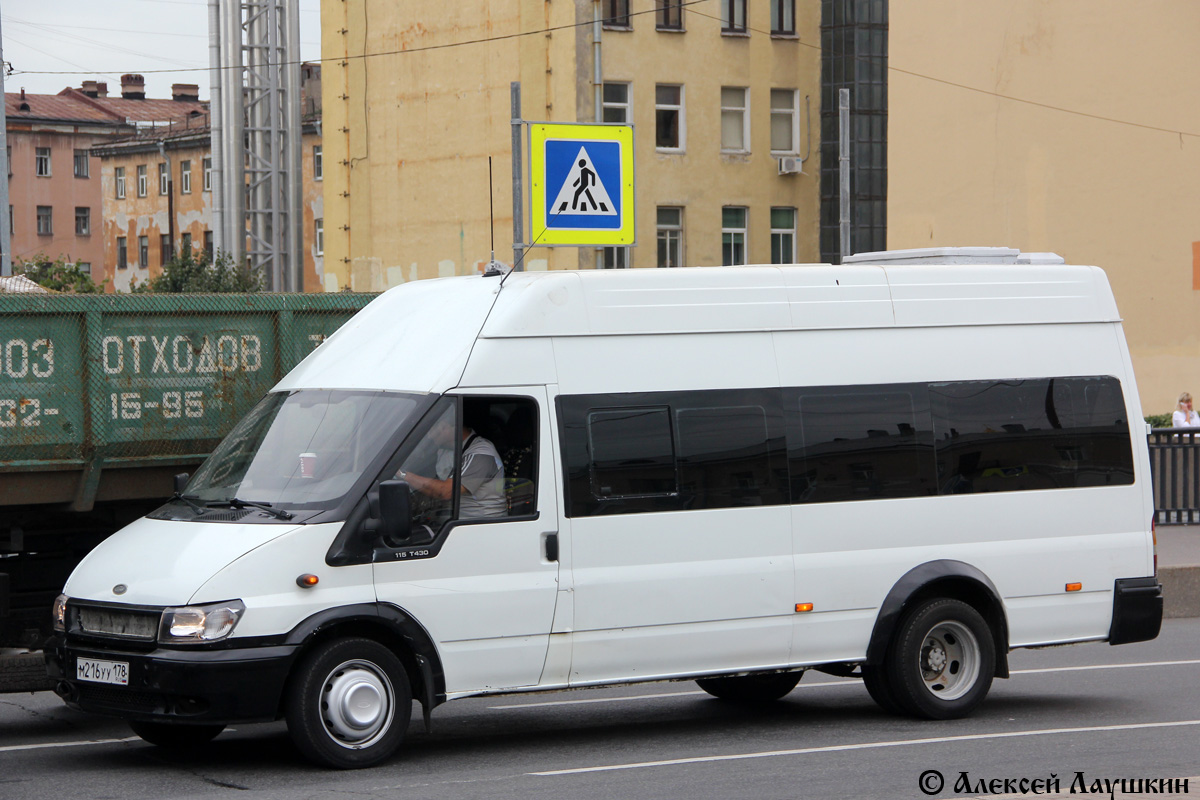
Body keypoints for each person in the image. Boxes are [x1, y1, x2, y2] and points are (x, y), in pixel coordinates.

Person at [399, 415, 507, 519]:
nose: (429, 436)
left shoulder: (481, 454)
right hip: (451, 522)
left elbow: (445, 492)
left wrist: (402, 475)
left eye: (432, 429)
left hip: (480, 526)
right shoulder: (444, 450)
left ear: (446, 427)